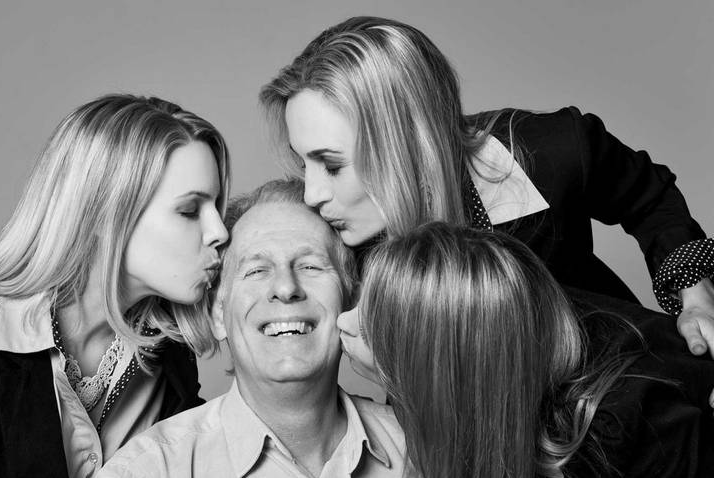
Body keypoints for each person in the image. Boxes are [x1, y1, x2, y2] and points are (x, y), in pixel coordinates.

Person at [259, 15, 714, 356]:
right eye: (305, 165)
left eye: (333, 166)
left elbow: (647, 196)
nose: (311, 194)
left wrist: (696, 294)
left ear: (407, 146)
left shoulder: (548, 152)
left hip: (630, 389)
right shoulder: (334, 236)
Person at [0, 94, 230, 478]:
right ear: (105, 215)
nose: (220, 230)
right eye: (190, 211)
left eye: (216, 207)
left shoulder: (170, 356)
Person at [80, 179, 415, 478]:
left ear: (351, 300)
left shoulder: (425, 456)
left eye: (311, 266)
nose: (285, 288)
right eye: (256, 271)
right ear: (218, 315)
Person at [347, 222, 714, 478]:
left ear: (436, 364)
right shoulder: (447, 409)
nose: (340, 323)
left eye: (366, 329)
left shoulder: (637, 420)